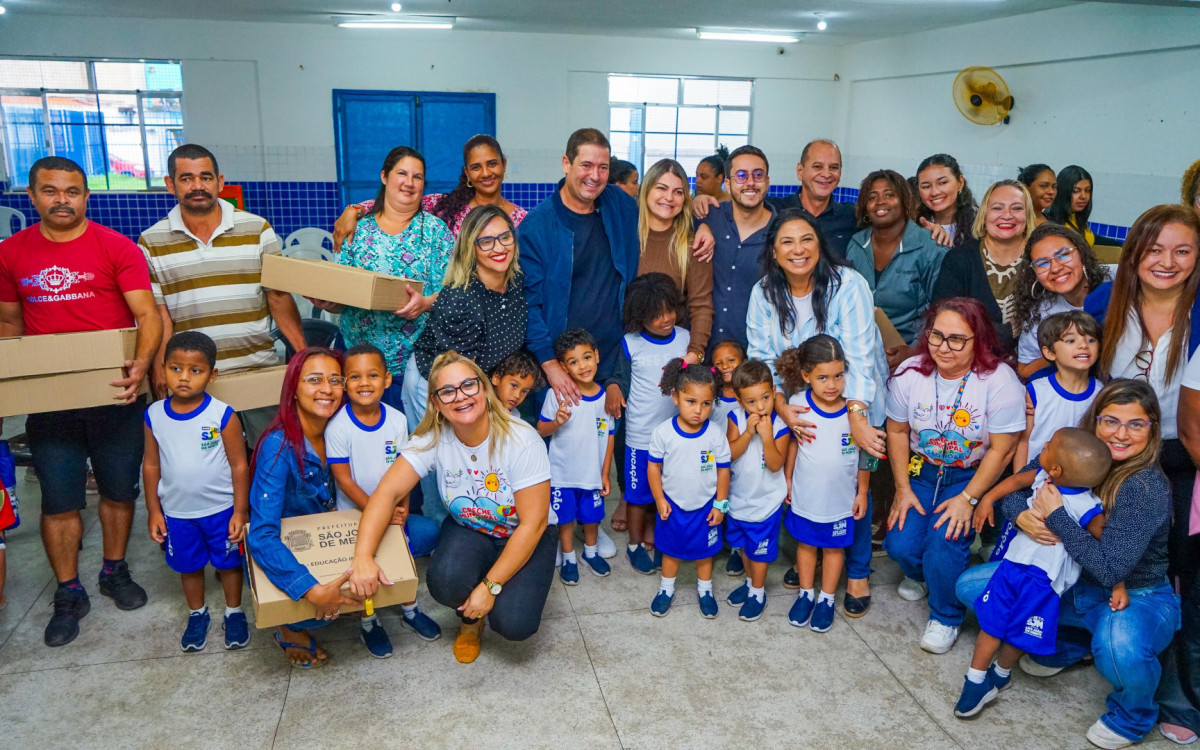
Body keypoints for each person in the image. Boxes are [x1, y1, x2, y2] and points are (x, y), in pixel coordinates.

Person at [956, 380, 1180, 750]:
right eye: (1111, 420)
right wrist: (1023, 516)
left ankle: (1133, 715)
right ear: (1095, 419)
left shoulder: (1144, 487)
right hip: (1065, 577)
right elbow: (1021, 487)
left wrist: (1055, 517)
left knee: (1119, 648)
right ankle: (1073, 642)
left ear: (1153, 428)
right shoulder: (1073, 447)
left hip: (1132, 592)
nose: (1120, 434)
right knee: (971, 587)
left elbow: (1110, 569)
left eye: (1136, 424)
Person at [0, 156, 163, 647]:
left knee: (119, 490)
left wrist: (142, 362)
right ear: (31, 197)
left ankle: (114, 570)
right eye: (50, 191)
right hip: (51, 401)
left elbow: (147, 314)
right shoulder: (11, 253)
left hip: (115, 394)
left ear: (86, 196)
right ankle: (68, 590)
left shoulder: (116, 247)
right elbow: (9, 322)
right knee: (59, 498)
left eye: (72, 191)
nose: (62, 200)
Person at [349, 352, 556, 664]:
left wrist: (490, 586)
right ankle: (470, 622)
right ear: (436, 402)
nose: (460, 397)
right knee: (445, 583)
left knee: (514, 623)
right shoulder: (434, 437)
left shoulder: (522, 441)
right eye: (447, 391)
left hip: (527, 532)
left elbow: (533, 524)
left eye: (468, 385)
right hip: (471, 527)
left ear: (484, 388)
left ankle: (489, 590)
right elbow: (388, 491)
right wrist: (362, 557)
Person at [745, 207, 887, 612]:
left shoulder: (849, 285)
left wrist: (857, 416)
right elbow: (761, 357)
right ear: (773, 251)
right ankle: (813, 556)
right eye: (786, 241)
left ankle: (856, 573)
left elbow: (858, 355)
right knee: (808, 475)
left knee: (852, 482)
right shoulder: (763, 292)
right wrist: (782, 408)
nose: (798, 249)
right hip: (800, 402)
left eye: (806, 239)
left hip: (856, 393)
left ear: (820, 244)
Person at [519, 128, 712, 411]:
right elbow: (528, 304)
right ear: (565, 163)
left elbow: (665, 210)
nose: (594, 176)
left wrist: (705, 220)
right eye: (586, 165)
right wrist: (550, 365)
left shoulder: (617, 204)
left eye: (603, 168)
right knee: (559, 446)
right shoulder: (536, 227)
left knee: (615, 446)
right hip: (563, 367)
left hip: (615, 362)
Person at [883, 297, 1025, 654]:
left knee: (944, 542)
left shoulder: (999, 380)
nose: (944, 347)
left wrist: (968, 500)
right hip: (923, 470)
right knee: (899, 544)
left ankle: (946, 616)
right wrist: (902, 488)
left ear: (978, 339)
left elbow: (1002, 449)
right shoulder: (910, 373)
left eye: (957, 339)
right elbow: (897, 432)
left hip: (969, 475)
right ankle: (920, 576)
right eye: (936, 335)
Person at [138, 143, 306, 443]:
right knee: (206, 464)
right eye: (186, 178)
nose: (198, 186)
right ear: (170, 184)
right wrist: (161, 368)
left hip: (257, 368)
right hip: (193, 377)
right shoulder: (151, 242)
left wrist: (304, 356)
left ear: (220, 181)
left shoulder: (257, 229)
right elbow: (160, 315)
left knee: (268, 455)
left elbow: (278, 297)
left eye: (206, 177)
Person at [955, 427, 1113, 718]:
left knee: (1019, 631)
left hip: (1044, 582)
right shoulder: (1043, 475)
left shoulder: (1087, 506)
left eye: (1049, 444)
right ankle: (975, 680)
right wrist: (988, 499)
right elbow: (1015, 480)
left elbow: (1106, 545)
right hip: (1011, 566)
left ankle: (1001, 674)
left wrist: (1118, 584)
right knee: (991, 622)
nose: (1045, 444)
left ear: (1057, 467)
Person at [1087, 205, 1200, 576]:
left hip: (1180, 450)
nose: (1167, 261)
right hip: (1113, 449)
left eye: (1182, 251)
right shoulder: (1104, 302)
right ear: (1134, 251)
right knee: (1107, 544)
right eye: (1154, 249)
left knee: (1182, 550)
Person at [402, 204, 528, 524]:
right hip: (436, 381)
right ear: (471, 248)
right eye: (486, 241)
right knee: (444, 462)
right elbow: (457, 375)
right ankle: (442, 533)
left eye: (504, 237)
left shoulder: (514, 282)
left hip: (479, 378)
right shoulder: (462, 298)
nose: (498, 247)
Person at [247, 347, 361, 668]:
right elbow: (261, 536)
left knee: (417, 537)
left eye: (335, 380)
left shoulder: (340, 432)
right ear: (293, 390)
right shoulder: (277, 447)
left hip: (330, 537)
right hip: (290, 550)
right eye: (314, 380)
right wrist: (310, 589)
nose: (327, 389)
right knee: (320, 613)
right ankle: (288, 627)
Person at [318, 146, 454, 413]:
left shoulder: (437, 232)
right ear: (384, 176)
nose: (409, 182)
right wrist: (328, 302)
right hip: (361, 365)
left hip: (417, 363)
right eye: (402, 173)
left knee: (413, 442)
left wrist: (426, 303)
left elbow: (454, 290)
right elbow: (341, 292)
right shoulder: (356, 229)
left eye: (417, 177)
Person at [325, 343, 443, 653]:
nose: (364, 383)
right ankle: (368, 622)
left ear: (387, 380)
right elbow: (343, 478)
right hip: (355, 515)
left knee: (402, 558)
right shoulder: (338, 427)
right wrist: (379, 511)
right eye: (354, 377)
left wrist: (400, 508)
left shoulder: (397, 420)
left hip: (395, 511)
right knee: (365, 569)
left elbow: (404, 471)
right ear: (344, 383)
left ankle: (410, 609)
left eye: (373, 375)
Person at [142, 331, 250, 653]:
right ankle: (197, 613)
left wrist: (240, 511)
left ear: (212, 375)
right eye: (175, 369)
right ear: (163, 369)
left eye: (195, 370)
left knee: (228, 564)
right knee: (188, 566)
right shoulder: (154, 415)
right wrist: (153, 511)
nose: (184, 378)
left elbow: (239, 466)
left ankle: (234, 612)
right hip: (177, 513)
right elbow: (150, 466)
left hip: (221, 510)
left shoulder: (222, 414)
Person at [778, 335, 868, 632]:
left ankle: (827, 598)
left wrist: (863, 492)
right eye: (823, 377)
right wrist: (788, 480)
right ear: (806, 376)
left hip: (841, 499)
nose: (832, 385)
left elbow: (866, 454)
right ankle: (806, 594)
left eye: (839, 376)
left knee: (833, 549)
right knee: (805, 545)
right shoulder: (798, 405)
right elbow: (794, 446)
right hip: (807, 494)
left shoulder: (856, 411)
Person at [613, 273, 691, 573]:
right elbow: (619, 379)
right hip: (640, 436)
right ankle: (634, 545)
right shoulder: (630, 344)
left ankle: (663, 541)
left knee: (668, 493)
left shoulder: (685, 339)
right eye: (656, 315)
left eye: (670, 310)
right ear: (639, 315)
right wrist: (613, 387)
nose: (666, 319)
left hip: (676, 437)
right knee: (637, 495)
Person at [646, 358, 731, 618]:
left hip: (705, 507)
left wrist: (721, 505)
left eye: (706, 403)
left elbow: (723, 470)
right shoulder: (663, 433)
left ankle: (705, 590)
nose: (699, 410)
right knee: (671, 551)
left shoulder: (715, 434)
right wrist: (659, 499)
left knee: (705, 554)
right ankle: (666, 589)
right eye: (691, 401)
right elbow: (653, 469)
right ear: (676, 397)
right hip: (673, 506)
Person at [333, 134, 527, 247]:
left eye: (492, 164)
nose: (486, 173)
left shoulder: (522, 219)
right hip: (451, 307)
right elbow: (396, 202)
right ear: (467, 173)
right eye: (476, 167)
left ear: (504, 165)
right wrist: (353, 210)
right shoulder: (447, 206)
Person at [845, 169, 947, 369]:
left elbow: (941, 309)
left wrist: (915, 351)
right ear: (865, 207)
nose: (881, 201)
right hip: (862, 355)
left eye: (889, 195)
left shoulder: (930, 247)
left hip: (914, 358)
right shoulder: (856, 244)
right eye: (872, 197)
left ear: (904, 200)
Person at [538, 328, 615, 584]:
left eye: (586, 357)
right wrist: (557, 422)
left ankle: (590, 553)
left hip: (592, 475)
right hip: (563, 475)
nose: (582, 366)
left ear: (597, 356)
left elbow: (609, 436)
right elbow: (541, 429)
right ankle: (569, 555)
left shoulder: (605, 397)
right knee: (566, 518)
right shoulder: (557, 395)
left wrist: (604, 473)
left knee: (592, 517)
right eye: (573, 362)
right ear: (563, 367)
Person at [932, 179, 1038, 350]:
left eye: (1017, 208)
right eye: (997, 208)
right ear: (984, 214)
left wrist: (981, 329)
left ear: (1028, 215)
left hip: (1030, 365)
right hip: (969, 363)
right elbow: (943, 321)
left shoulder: (1041, 261)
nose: (1007, 215)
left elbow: (1047, 323)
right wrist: (1007, 331)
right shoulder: (960, 259)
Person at [723, 359, 789, 622]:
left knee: (758, 550)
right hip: (739, 498)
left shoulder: (781, 425)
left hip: (766, 502)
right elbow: (729, 454)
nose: (760, 406)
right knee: (743, 546)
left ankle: (758, 593)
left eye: (765, 397)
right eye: (751, 402)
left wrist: (767, 435)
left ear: (773, 392)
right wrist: (748, 433)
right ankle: (751, 584)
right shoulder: (735, 418)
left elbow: (775, 465)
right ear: (740, 402)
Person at [695, 145, 776, 349]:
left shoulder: (783, 232)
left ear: (767, 182)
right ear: (728, 184)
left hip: (756, 355)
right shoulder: (708, 216)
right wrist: (699, 219)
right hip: (701, 349)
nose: (750, 182)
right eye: (741, 175)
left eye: (758, 175)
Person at [637, 158, 713, 362]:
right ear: (646, 190)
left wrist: (694, 353)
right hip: (628, 351)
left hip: (674, 351)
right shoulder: (626, 238)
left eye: (678, 192)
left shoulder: (693, 244)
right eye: (661, 188)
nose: (669, 198)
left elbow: (701, 305)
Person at [1011, 223, 1109, 379]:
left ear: (1081, 253)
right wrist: (1060, 350)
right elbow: (1024, 369)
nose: (1055, 268)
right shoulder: (1042, 311)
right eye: (1042, 263)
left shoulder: (1117, 281)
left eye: (1063, 254)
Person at [1014, 311, 1103, 471]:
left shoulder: (1101, 393)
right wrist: (1018, 481)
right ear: (1050, 352)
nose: (1084, 345)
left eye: (1090, 340)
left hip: (1082, 479)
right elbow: (1023, 441)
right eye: (1070, 340)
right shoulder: (1036, 390)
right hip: (1035, 478)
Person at [767, 139, 859, 259]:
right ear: (800, 171)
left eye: (833, 167)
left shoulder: (851, 216)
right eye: (817, 167)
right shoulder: (773, 209)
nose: (826, 174)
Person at [916, 154, 977, 247]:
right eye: (926, 186)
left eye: (943, 183)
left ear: (960, 182)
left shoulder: (979, 226)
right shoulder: (913, 226)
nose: (934, 192)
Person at [1044, 165, 1097, 247]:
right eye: (1076, 191)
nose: (1083, 196)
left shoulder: (1078, 218)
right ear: (1062, 192)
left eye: (1087, 190)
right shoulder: (1050, 223)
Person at [490, 349, 543, 418]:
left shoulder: (515, 415)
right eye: (514, 385)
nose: (517, 396)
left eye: (524, 391)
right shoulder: (480, 407)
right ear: (496, 379)